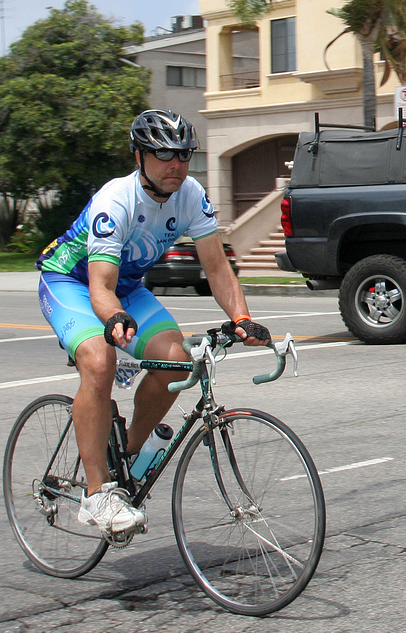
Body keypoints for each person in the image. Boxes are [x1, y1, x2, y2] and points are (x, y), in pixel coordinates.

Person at [36, 109, 271, 538]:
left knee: (177, 359)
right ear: (139, 156)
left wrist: (242, 318)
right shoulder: (116, 201)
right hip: (72, 282)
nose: (176, 165)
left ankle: (124, 457)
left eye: (183, 154)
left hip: (124, 286)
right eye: (164, 155)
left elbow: (217, 268)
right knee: (100, 360)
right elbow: (100, 286)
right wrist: (113, 319)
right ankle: (96, 494)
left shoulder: (191, 194)